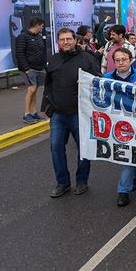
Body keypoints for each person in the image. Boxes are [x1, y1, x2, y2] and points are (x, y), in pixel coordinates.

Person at [42, 28, 101, 198]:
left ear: (75, 40)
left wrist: (88, 83)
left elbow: (98, 81)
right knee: (55, 147)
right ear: (58, 42)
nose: (66, 42)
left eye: (69, 39)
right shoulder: (53, 60)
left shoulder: (87, 59)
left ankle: (82, 181)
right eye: (62, 39)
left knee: (83, 149)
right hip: (58, 114)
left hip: (79, 114)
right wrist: (47, 106)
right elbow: (48, 84)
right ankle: (63, 183)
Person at [103, 47, 136, 207]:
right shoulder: (107, 78)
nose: (121, 63)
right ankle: (123, 191)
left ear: (131, 60)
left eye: (124, 59)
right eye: (117, 60)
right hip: (119, 126)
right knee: (125, 156)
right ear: (113, 62)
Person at [16, 17, 47, 124]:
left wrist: (44, 65)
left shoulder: (38, 37)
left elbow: (42, 52)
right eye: (42, 25)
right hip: (29, 68)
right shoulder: (22, 37)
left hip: (39, 67)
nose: (42, 27)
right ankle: (26, 114)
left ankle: (33, 112)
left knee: (35, 90)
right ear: (37, 25)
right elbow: (19, 54)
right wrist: (26, 69)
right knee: (31, 89)